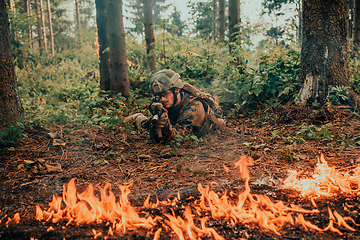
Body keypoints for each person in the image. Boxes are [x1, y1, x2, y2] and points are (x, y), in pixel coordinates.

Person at [123, 69, 225, 143]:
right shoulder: (167, 101)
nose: (162, 99)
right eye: (159, 96)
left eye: (165, 94)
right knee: (147, 124)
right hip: (176, 121)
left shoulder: (193, 106)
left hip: (204, 127)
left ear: (176, 90)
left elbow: (177, 139)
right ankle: (137, 117)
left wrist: (165, 125)